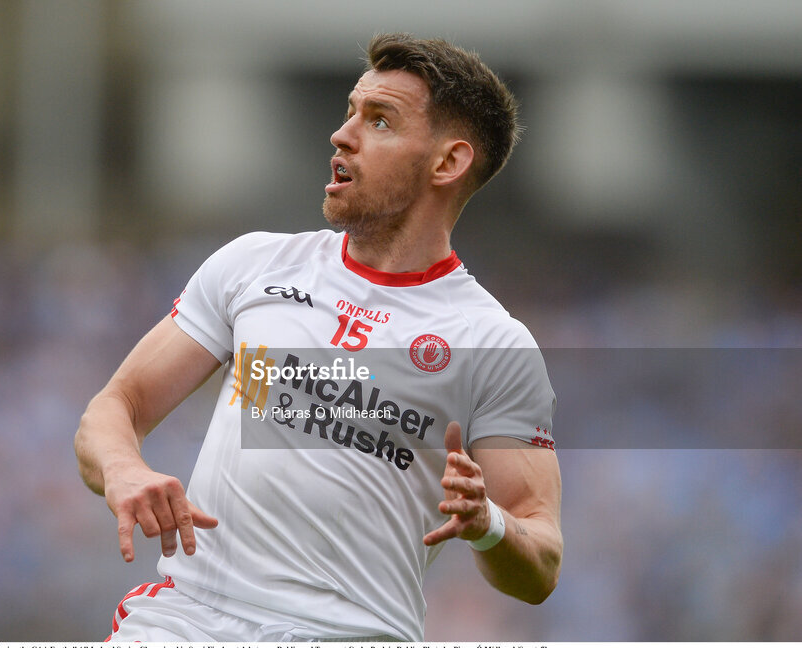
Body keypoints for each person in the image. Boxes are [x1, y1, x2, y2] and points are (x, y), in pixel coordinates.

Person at [75, 33, 562, 642]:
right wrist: (123, 470)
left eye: (379, 121)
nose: (342, 135)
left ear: (447, 163)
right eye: (350, 111)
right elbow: (115, 406)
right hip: (188, 618)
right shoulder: (254, 265)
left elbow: (541, 560)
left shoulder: (493, 343)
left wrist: (487, 522)